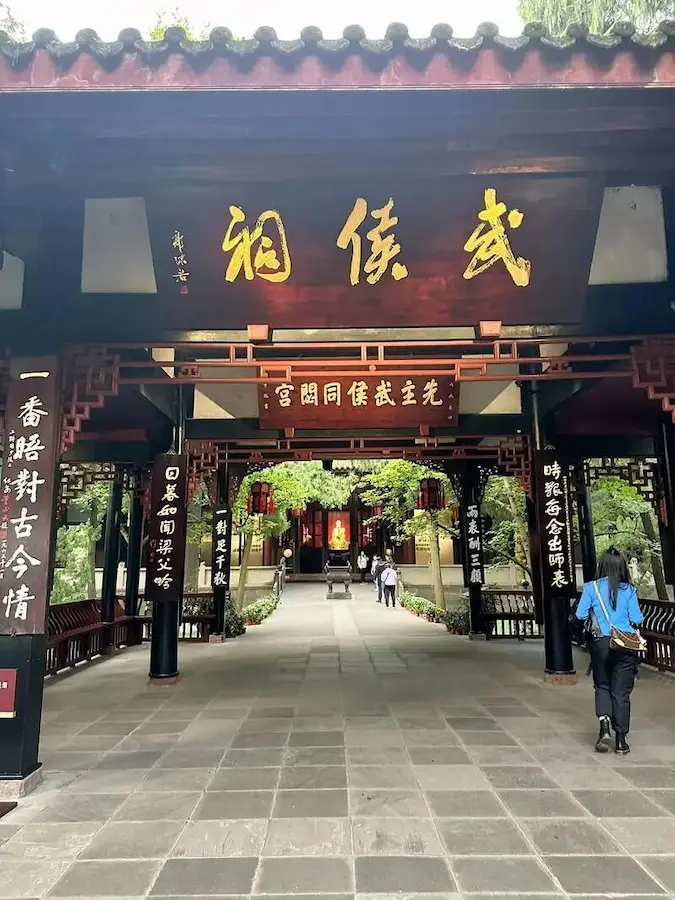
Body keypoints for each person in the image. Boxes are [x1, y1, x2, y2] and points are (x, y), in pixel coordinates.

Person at [576, 547, 644, 755]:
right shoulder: (629, 590)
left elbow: (579, 615)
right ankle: (621, 740)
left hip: (600, 643)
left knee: (602, 685)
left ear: (602, 566)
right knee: (621, 692)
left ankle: (604, 726)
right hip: (624, 645)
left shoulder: (591, 588)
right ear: (622, 567)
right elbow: (638, 619)